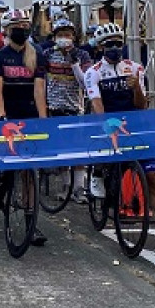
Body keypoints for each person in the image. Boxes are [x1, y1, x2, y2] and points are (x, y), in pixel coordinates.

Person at [82, 23, 155, 253]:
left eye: (118, 43)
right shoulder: (93, 72)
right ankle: (99, 173)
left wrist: (136, 89)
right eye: (109, 44)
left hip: (135, 126)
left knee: (152, 177)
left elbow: (142, 105)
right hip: (110, 124)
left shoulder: (135, 68)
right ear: (101, 47)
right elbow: (97, 104)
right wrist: (107, 127)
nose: (115, 48)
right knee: (103, 142)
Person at [0, 8, 48, 247]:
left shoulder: (37, 55)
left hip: (29, 114)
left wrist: (43, 119)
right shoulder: (0, 56)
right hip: (8, 112)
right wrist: (2, 115)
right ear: (6, 30)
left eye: (25, 26)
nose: (21, 30)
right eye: (17, 27)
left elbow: (39, 90)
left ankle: (30, 221)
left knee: (29, 171)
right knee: (4, 162)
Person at [43, 17, 93, 202]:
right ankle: (66, 186)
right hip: (54, 107)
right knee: (62, 150)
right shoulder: (47, 54)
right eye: (61, 35)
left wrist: (73, 62)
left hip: (75, 108)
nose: (64, 38)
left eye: (68, 35)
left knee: (78, 149)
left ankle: (79, 188)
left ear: (74, 37)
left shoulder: (82, 55)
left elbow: (85, 82)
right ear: (54, 37)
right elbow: (41, 80)